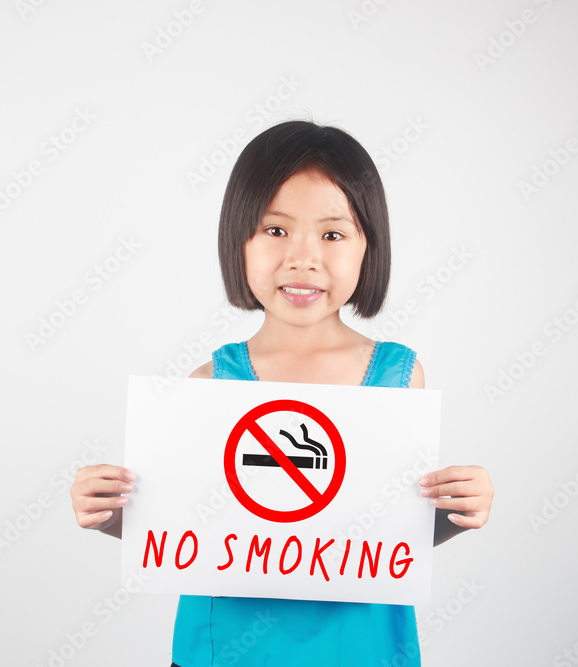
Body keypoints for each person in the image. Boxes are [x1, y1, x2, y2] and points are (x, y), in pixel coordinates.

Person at [70, 120, 494, 666]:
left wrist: (457, 511)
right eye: (275, 230)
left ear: (369, 246)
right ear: (238, 241)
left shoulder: (399, 376)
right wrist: (110, 515)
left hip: (361, 650)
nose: (303, 257)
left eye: (332, 235)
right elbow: (186, 535)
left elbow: (386, 541)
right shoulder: (210, 385)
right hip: (224, 650)